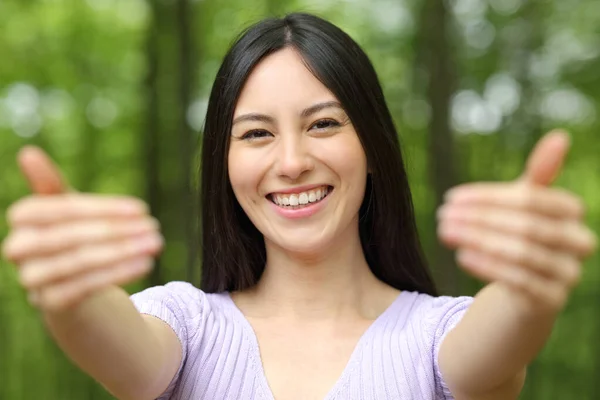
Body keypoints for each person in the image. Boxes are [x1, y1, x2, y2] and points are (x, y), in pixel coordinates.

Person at [2, 12, 597, 400]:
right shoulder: (186, 324)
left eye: (324, 124)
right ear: (223, 164)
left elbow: (498, 344)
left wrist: (527, 288)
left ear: (371, 144)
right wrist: (72, 295)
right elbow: (120, 349)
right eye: (256, 134)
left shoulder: (437, 335)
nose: (291, 162)